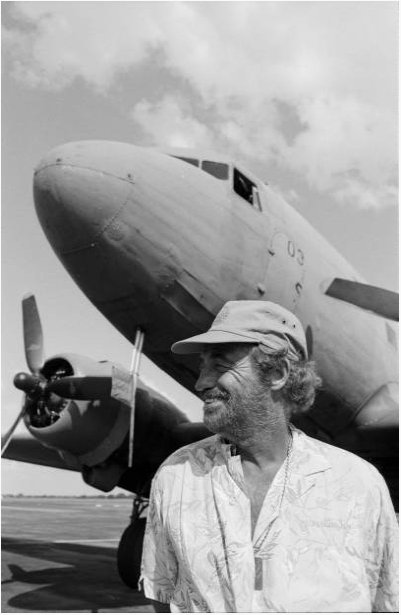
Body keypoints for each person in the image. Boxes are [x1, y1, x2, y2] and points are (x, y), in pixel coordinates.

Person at [140, 300, 398, 613]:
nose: (201, 382)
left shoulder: (361, 485)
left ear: (277, 373)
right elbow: (161, 595)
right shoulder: (176, 475)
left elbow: (388, 600)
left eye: (220, 366)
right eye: (202, 367)